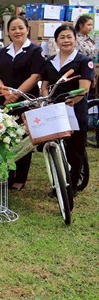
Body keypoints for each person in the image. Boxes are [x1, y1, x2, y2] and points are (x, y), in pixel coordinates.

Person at [0, 16, 45, 190]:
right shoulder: (2, 52)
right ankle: (6, 175)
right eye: (13, 28)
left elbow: (35, 76)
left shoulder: (35, 51)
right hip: (5, 101)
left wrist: (15, 94)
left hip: (25, 101)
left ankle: (20, 178)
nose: (17, 31)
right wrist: (3, 91)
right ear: (8, 32)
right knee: (4, 138)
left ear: (27, 29)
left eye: (20, 28)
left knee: (22, 139)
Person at [41, 25, 93, 193]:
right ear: (56, 41)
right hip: (54, 109)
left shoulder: (83, 61)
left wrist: (73, 100)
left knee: (75, 148)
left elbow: (84, 88)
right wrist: (47, 99)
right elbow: (44, 86)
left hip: (74, 108)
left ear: (75, 39)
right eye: (62, 37)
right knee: (56, 146)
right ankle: (59, 183)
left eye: (69, 37)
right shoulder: (50, 62)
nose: (66, 40)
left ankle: (72, 185)